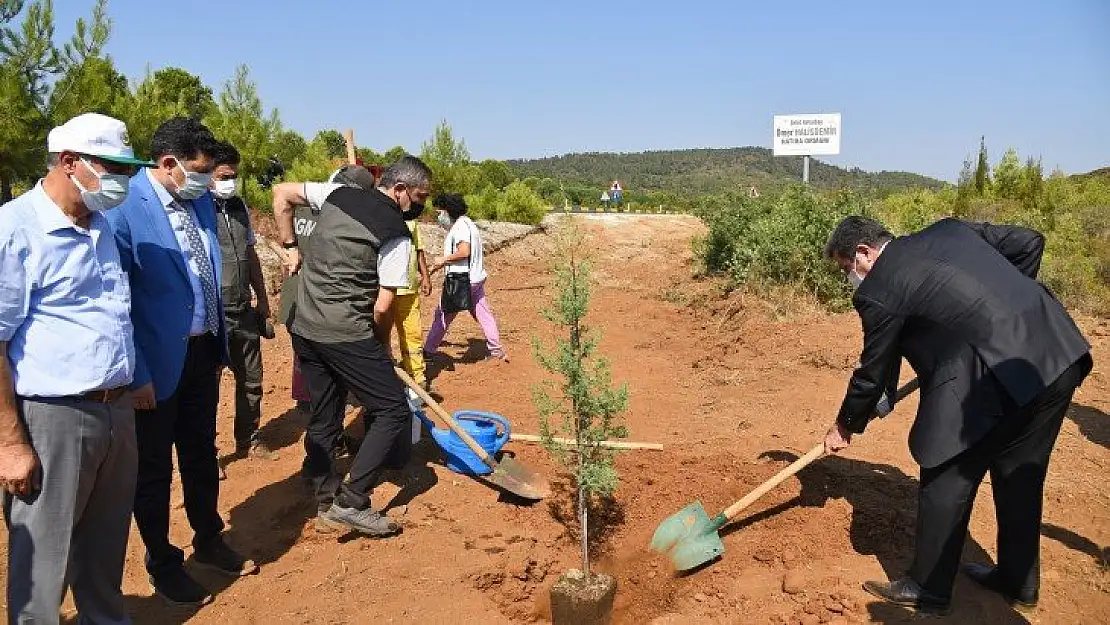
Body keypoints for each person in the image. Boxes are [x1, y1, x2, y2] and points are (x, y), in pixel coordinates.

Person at [822, 216, 1093, 615]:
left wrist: (845, 425)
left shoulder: (879, 287)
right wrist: (1000, 314)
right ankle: (1019, 582)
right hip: (1053, 352)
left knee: (946, 471)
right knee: (1020, 469)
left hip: (993, 376)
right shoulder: (950, 230)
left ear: (864, 252)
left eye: (848, 268)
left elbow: (872, 369)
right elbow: (1029, 242)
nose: (850, 277)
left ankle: (927, 587)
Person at [0, 113, 148, 624]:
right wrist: (11, 443)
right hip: (52, 419)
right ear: (69, 162)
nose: (123, 182)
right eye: (113, 169)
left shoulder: (100, 226)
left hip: (116, 410)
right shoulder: (15, 230)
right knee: (44, 564)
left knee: (104, 551)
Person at [109, 117, 257, 607]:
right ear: (168, 164)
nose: (206, 178)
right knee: (153, 470)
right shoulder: (125, 210)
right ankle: (163, 562)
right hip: (153, 365)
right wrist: (138, 373)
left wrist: (215, 345)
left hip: (201, 353)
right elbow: (117, 299)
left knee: (200, 453)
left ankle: (209, 537)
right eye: (198, 169)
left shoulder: (200, 205)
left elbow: (207, 271)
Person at [272, 156, 429, 537]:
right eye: (421, 197)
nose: (422, 206)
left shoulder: (337, 194)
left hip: (305, 326)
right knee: (391, 409)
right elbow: (383, 305)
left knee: (326, 410)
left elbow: (281, 194)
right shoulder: (395, 233)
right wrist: (380, 350)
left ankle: (321, 487)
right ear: (400, 190)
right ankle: (351, 500)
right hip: (345, 333)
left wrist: (290, 245)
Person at [209, 141, 278, 462]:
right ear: (208, 174)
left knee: (251, 379)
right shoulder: (197, 208)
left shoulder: (238, 206)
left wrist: (262, 299)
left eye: (234, 176)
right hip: (212, 314)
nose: (230, 181)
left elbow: (250, 254)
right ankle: (206, 453)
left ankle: (249, 437)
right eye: (224, 175)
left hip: (242, 309)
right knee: (207, 388)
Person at [423, 193, 508, 363]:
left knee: (443, 313)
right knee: (483, 313)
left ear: (448, 211)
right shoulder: (468, 223)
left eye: (440, 212)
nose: (439, 216)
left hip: (462, 280)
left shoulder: (460, 227)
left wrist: (443, 259)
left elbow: (464, 252)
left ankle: (429, 350)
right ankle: (496, 350)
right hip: (475, 278)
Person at [394, 182, 433, 392]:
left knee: (413, 334)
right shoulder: (384, 219)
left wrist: (425, 277)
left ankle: (417, 376)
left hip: (409, 289)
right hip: (386, 291)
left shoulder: (412, 223)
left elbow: (419, 251)